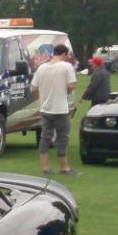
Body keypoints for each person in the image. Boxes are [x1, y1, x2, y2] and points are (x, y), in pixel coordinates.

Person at [31, 44, 78, 176]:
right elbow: (72, 85)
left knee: (45, 137)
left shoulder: (41, 68)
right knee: (62, 138)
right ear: (63, 54)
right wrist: (66, 90)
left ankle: (45, 167)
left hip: (45, 108)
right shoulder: (66, 67)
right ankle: (64, 167)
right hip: (60, 109)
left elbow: (34, 88)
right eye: (67, 56)